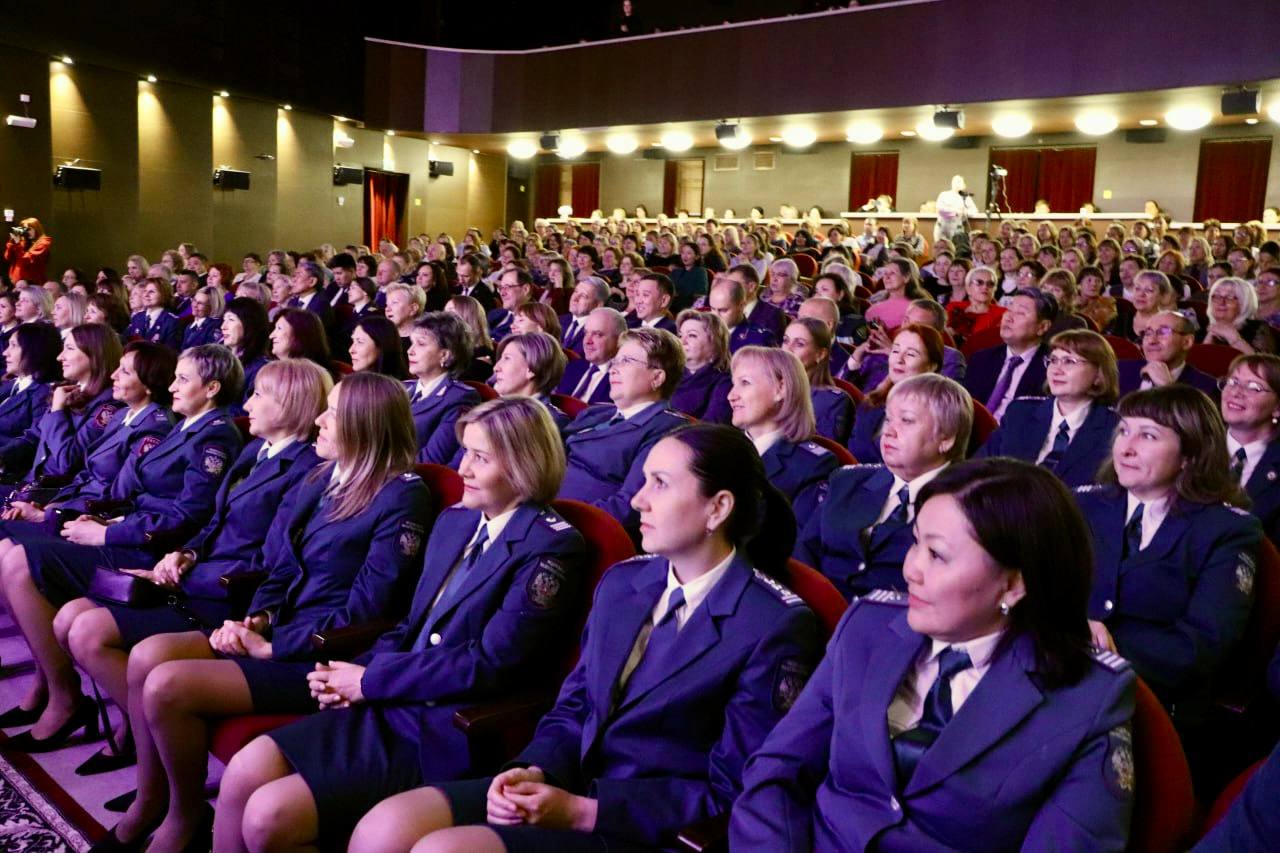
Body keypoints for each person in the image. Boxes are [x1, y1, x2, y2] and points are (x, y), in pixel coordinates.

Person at [351, 423, 821, 852]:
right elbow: (575, 704)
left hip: (643, 826)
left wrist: (581, 811)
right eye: (643, 481)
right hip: (568, 782)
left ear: (718, 507)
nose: (638, 501)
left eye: (660, 484)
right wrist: (535, 768)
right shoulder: (624, 583)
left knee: (440, 850)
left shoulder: (775, 625)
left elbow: (738, 790)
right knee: (383, 828)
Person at [211, 397, 587, 848]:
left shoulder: (550, 548)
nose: (462, 468)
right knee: (246, 769)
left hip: (442, 722)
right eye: (465, 451)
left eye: (480, 458)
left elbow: (489, 663)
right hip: (390, 699)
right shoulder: (456, 523)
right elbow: (411, 623)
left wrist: (370, 680)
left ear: (524, 466)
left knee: (268, 817)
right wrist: (346, 676)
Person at [94, 372, 431, 851]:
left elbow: (369, 607)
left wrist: (274, 645)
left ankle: (183, 818)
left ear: (363, 424)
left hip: (322, 655)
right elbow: (279, 566)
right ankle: (159, 801)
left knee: (168, 685)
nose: (319, 419)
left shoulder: (402, 495)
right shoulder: (322, 476)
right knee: (148, 656)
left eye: (332, 412)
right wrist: (259, 619)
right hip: (280, 629)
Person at [735, 458, 1137, 851]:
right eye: (915, 543)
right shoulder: (867, 627)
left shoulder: (1088, 698)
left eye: (937, 555)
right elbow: (776, 772)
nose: (911, 569)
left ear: (1013, 586)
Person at [55, 358, 326, 775]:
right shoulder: (256, 449)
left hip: (229, 594)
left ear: (290, 404)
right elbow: (214, 522)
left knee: (89, 631)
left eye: (259, 395)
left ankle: (153, 761)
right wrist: (185, 554)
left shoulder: (306, 470)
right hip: (199, 573)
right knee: (69, 617)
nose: (247, 403)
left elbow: (271, 560)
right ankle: (149, 739)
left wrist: (183, 576)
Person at [0, 344, 242, 757]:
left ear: (212, 388)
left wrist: (106, 534)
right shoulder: (189, 426)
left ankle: (67, 698)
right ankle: (53, 687)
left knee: (19, 560)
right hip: (125, 529)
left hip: (151, 550)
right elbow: (135, 495)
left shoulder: (214, 435)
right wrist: (101, 522)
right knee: (9, 549)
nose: (172, 386)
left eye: (183, 379)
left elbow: (190, 515)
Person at [1077, 385, 1260, 731]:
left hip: (1153, 702)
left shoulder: (1227, 530)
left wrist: (1096, 647)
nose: (1126, 448)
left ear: (1189, 454)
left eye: (1147, 436)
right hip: (1063, 680)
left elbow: (1203, 645)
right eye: (1123, 431)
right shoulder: (1083, 505)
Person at [797, 373, 971, 599]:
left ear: (946, 439)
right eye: (888, 419)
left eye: (906, 421)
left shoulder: (968, 508)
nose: (888, 431)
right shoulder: (847, 480)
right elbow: (805, 553)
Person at [559, 327, 688, 530]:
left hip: (575, 528)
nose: (613, 369)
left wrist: (558, 521)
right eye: (616, 361)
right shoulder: (596, 413)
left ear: (657, 378)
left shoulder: (667, 430)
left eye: (626, 361)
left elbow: (627, 506)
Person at [979, 330, 1121, 487]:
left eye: (1069, 361)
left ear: (1098, 374)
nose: (1056, 369)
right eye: (1053, 360)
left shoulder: (1114, 428)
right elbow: (978, 467)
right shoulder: (1020, 412)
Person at [0, 324, 122, 482]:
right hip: (30, 484)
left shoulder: (108, 407)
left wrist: (57, 411)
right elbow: (34, 436)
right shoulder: (69, 391)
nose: (60, 357)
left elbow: (67, 461)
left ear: (95, 354)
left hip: (53, 494)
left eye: (70, 348)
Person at [729, 346, 837, 519]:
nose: (731, 396)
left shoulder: (813, 466)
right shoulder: (723, 446)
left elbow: (797, 541)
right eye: (734, 384)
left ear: (781, 389)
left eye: (745, 383)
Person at [849, 325, 945, 465]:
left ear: (931, 366)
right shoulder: (873, 399)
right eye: (895, 351)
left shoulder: (937, 413)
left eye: (911, 354)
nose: (899, 359)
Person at [963, 288, 1055, 421]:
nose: (1008, 317)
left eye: (1020, 313)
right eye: (1009, 310)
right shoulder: (981, 359)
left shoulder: (1053, 368)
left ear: (1042, 327)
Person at [406, 312, 481, 466]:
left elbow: (430, 462)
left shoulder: (460, 398)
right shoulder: (401, 387)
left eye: (420, 344)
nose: (410, 351)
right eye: (411, 343)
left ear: (445, 355)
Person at [1220, 353, 1280, 542]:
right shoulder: (1190, 448)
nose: (1236, 392)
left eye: (1254, 387)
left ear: (1278, 407)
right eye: (1233, 382)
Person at [782, 317, 853, 445]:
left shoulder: (834, 402)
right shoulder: (765, 386)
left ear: (820, 354)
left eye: (799, 344)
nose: (788, 349)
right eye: (785, 341)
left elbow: (823, 453)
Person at [1117, 309, 1219, 398]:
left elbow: (1193, 420)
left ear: (1186, 342)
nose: (1152, 340)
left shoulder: (1207, 387)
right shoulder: (1119, 371)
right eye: (1148, 333)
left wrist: (1168, 388)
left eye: (1162, 332)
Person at [488, 331, 570, 432]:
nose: (496, 368)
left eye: (507, 358)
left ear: (532, 369)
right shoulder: (494, 408)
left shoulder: (549, 423)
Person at [0, 322, 59, 445]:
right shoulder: (12, 384)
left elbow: (33, 440)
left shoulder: (44, 394)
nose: (5, 353)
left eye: (13, 345)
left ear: (34, 351)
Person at [671, 309, 732, 424]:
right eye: (680, 335)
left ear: (715, 344)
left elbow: (710, 428)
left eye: (692, 335)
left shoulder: (725, 382)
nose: (682, 341)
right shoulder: (670, 373)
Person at [557, 307, 624, 405]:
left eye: (598, 334)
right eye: (586, 333)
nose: (587, 341)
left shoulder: (622, 379)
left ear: (619, 340)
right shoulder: (572, 366)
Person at [220, 297, 271, 417]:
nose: (223, 326)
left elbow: (247, 411)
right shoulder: (222, 359)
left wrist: (210, 407)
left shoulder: (261, 368)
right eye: (224, 320)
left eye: (231, 320)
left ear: (249, 325)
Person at [1204, 277, 1277, 354]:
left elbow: (1265, 364)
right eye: (1217, 296)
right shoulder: (1204, 326)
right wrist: (1207, 341)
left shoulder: (1257, 329)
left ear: (1244, 304)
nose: (1221, 302)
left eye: (1230, 297)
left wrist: (1234, 339)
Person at [707, 274, 776, 352]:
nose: (715, 316)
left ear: (741, 306)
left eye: (723, 310)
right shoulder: (702, 331)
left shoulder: (759, 339)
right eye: (712, 309)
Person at [945, 266, 1006, 347]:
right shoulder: (953, 307)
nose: (985, 287)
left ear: (994, 289)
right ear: (968, 287)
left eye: (990, 284)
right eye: (979, 282)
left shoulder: (1002, 314)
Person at [270, 308, 337, 380]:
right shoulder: (272, 369)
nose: (271, 336)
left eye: (279, 328)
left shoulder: (312, 379)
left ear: (299, 334)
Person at [866, 258, 927, 331]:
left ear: (906, 277)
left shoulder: (920, 307)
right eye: (885, 273)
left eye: (892, 273)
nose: (887, 277)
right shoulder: (874, 307)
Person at [124, 277, 182, 350]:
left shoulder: (172, 321)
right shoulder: (137, 317)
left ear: (164, 294)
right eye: (145, 291)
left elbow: (171, 352)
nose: (146, 295)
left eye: (151, 292)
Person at [560, 278, 608, 357]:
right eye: (575, 292)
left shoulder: (600, 331)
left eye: (583, 296)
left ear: (598, 305)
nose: (574, 299)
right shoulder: (559, 320)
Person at [488, 268, 535, 343]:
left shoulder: (533, 320)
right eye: (501, 288)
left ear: (525, 289)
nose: (502, 293)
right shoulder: (495, 313)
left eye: (507, 287)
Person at [4, 218, 52, 286]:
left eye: (29, 229)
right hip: (17, 284)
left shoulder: (43, 243)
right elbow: (8, 257)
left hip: (33, 284)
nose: (26, 232)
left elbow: (28, 259)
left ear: (36, 229)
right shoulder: (22, 242)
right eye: (24, 229)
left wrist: (17, 245)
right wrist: (12, 243)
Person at [933, 175, 979, 242]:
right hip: (942, 228)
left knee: (956, 248)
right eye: (956, 182)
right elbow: (940, 210)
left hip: (957, 228)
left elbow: (974, 211)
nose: (957, 184)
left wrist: (965, 212)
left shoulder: (965, 197)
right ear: (952, 183)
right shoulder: (944, 195)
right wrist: (955, 212)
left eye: (960, 182)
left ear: (964, 185)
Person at [669, 241, 709, 312]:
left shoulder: (700, 272)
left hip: (689, 307)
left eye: (689, 253)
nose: (685, 256)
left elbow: (701, 293)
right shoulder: (676, 271)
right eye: (683, 253)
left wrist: (679, 294)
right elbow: (667, 286)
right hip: (672, 305)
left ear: (697, 256)